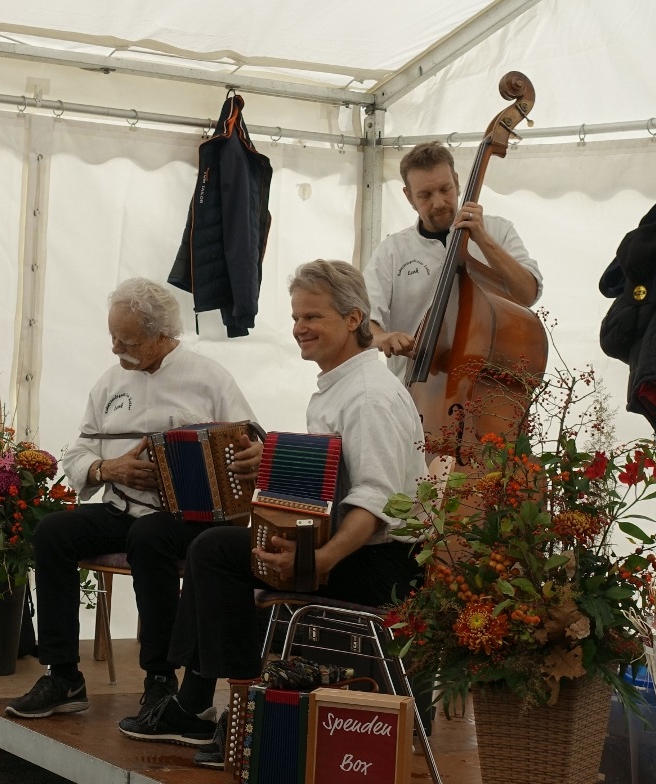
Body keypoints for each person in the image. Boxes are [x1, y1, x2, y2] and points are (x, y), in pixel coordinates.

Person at [142, 260, 426, 762]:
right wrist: (270, 467)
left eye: (313, 317)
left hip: (379, 565)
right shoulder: (342, 386)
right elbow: (327, 486)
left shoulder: (368, 397)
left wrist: (321, 561)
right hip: (350, 551)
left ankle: (240, 711)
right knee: (216, 546)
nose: (300, 328)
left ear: (354, 318)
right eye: (296, 316)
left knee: (213, 551)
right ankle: (202, 702)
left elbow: (376, 504)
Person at [4, 277, 263, 729]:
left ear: (163, 336)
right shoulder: (109, 383)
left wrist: (243, 459)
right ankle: (63, 674)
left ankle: (159, 677)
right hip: (122, 505)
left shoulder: (209, 379)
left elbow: (250, 443)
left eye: (126, 341)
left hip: (188, 518)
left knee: (150, 537)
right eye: (112, 337)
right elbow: (78, 453)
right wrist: (109, 470)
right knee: (52, 533)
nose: (114, 349)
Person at [364, 141, 543, 378]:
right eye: (425, 195)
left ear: (457, 182)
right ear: (408, 196)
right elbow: (363, 318)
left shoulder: (498, 231)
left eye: (445, 189)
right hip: (416, 392)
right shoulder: (392, 251)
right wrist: (382, 337)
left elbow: (528, 294)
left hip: (487, 385)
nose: (438, 203)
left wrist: (483, 240)